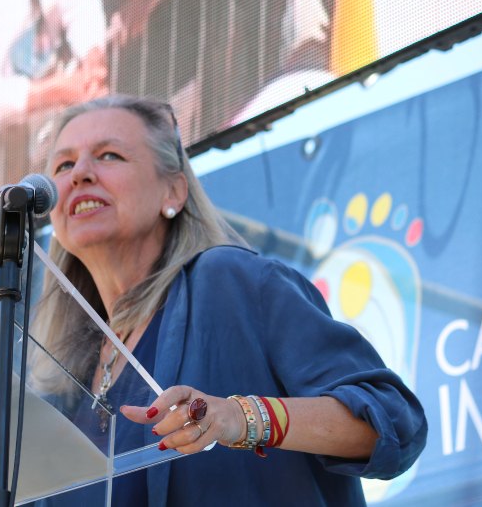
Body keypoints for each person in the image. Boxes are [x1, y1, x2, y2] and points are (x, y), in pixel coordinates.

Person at [32, 95, 427, 505]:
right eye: (63, 166)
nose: (79, 175)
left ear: (174, 191)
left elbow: (392, 422)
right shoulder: (59, 379)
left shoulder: (229, 282)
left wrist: (241, 418)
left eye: (108, 155)